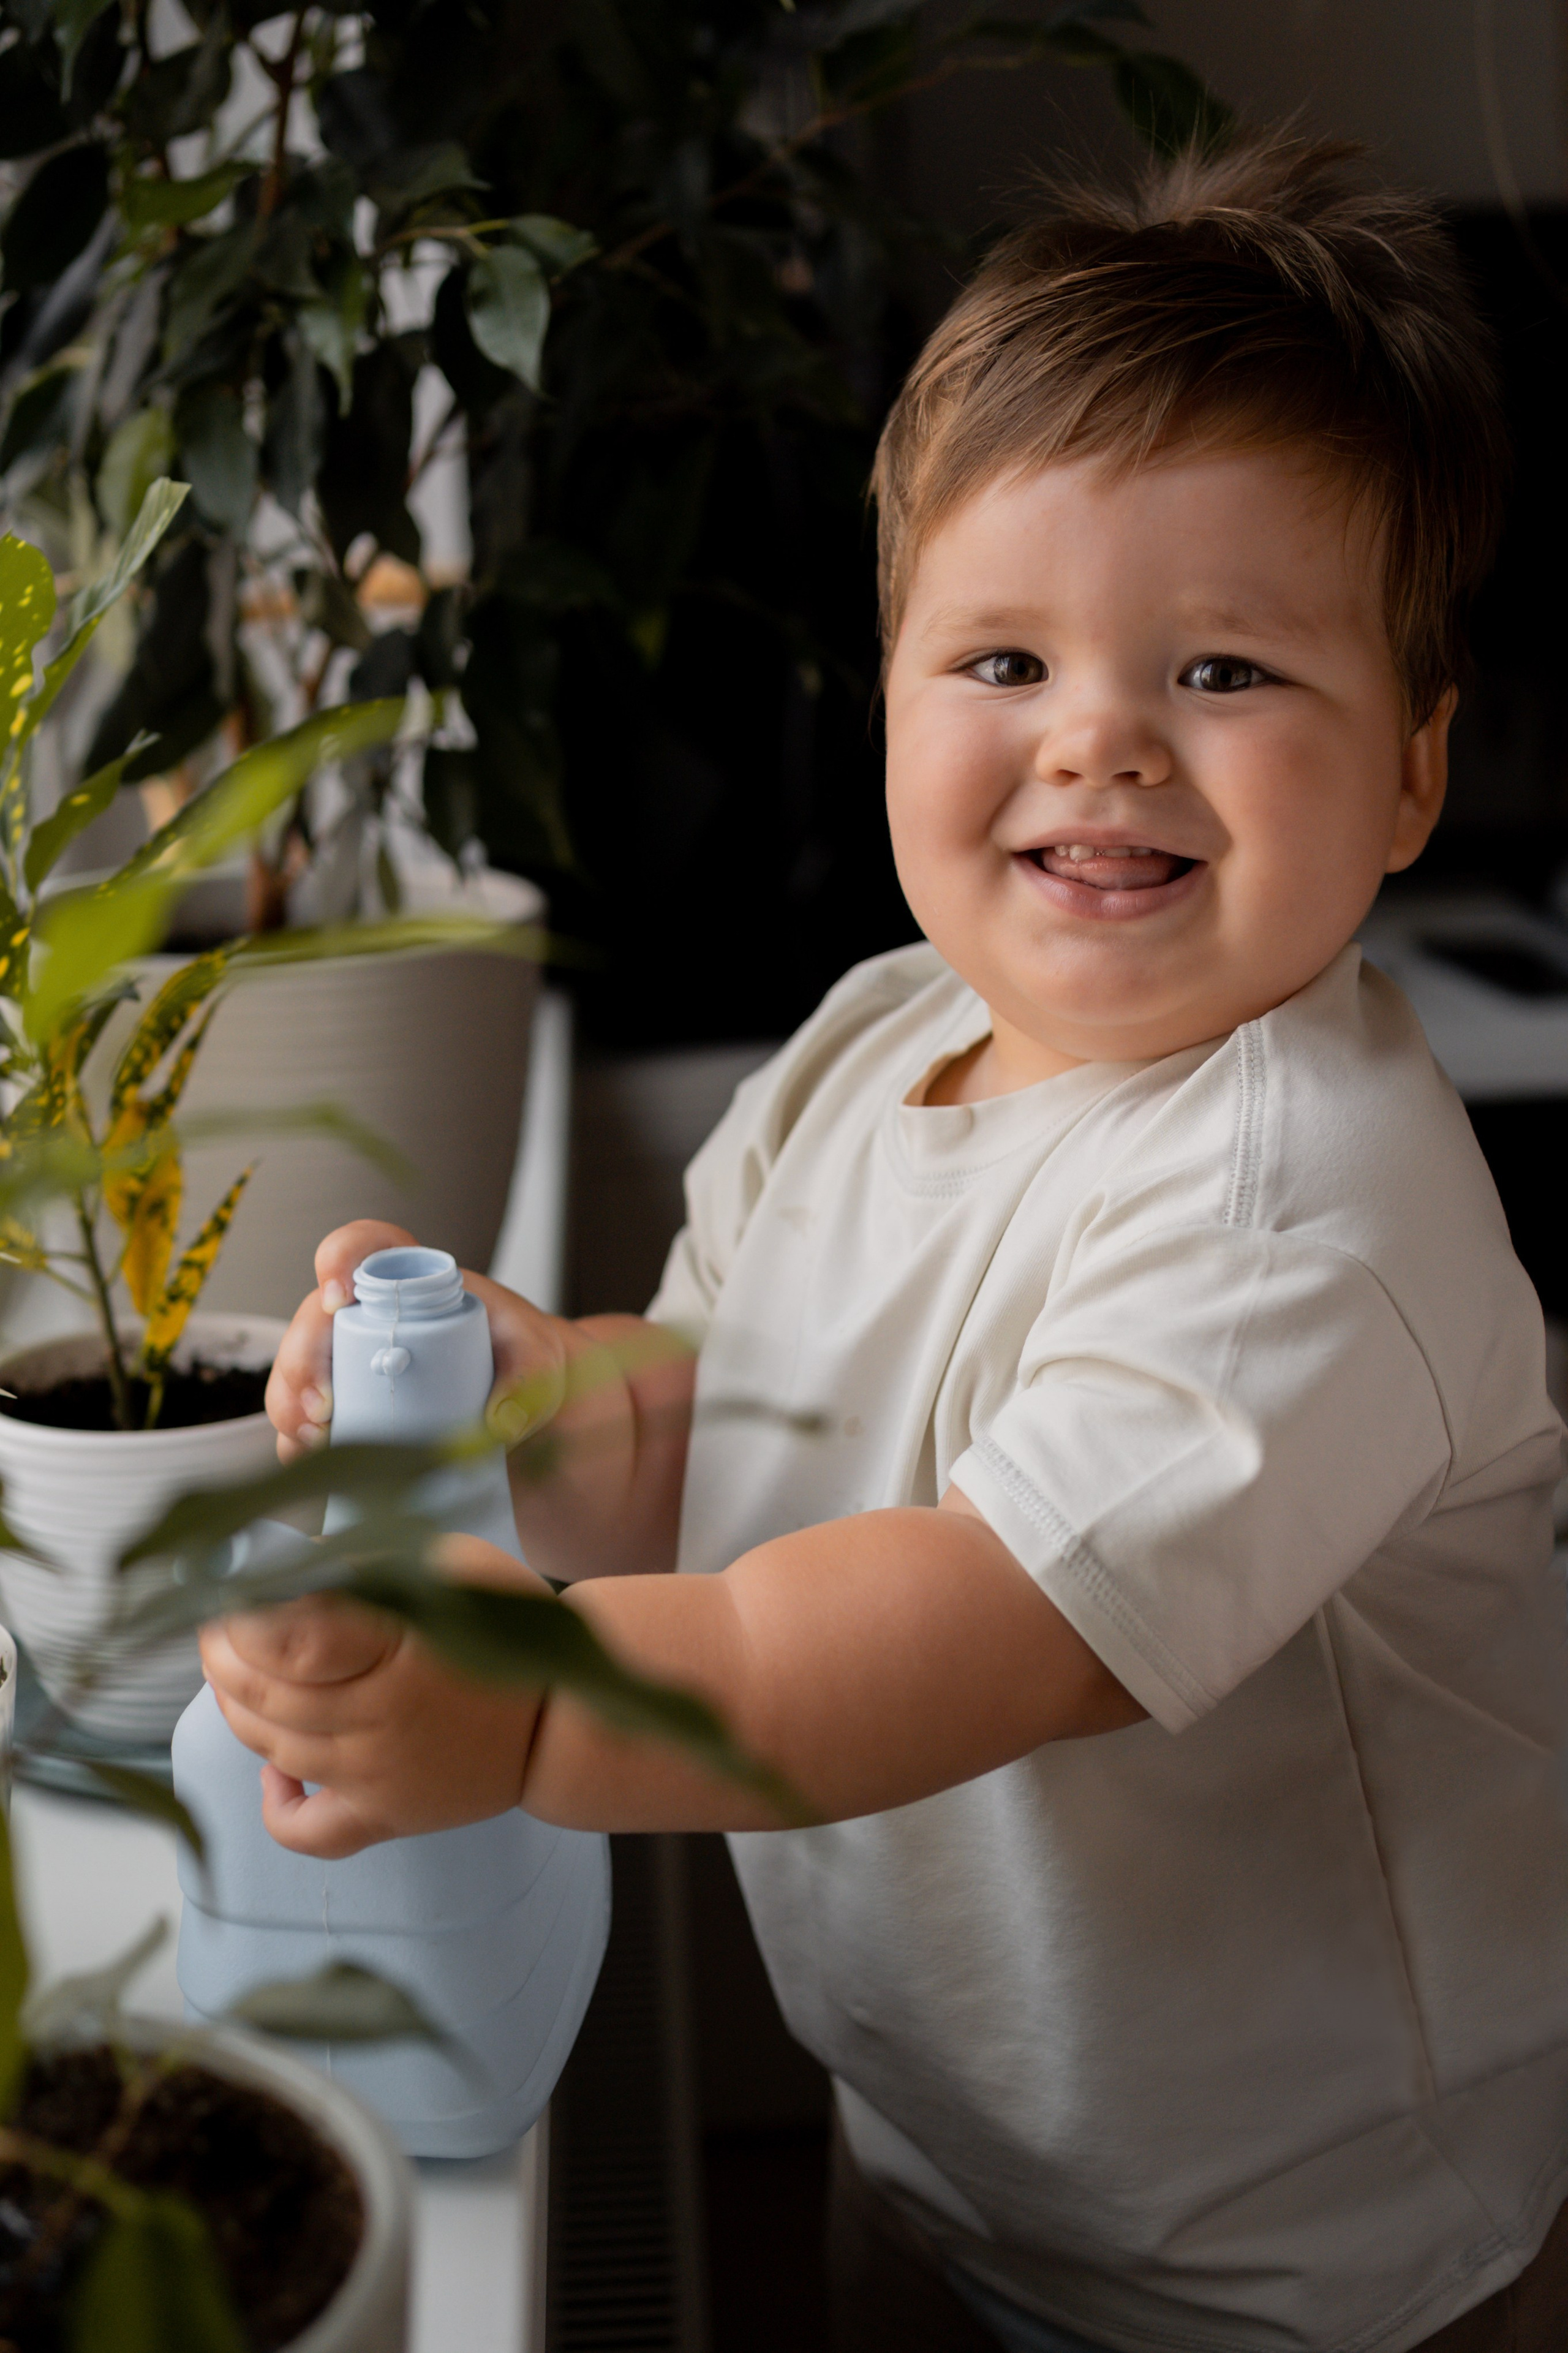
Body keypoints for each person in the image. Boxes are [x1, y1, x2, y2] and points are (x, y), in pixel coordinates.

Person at [202, 135, 1568, 2353]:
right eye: (1006, 654)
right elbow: (722, 1410)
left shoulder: (1304, 1213)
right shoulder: (883, 1034)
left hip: (1300, 2267)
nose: (1101, 736)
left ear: (1412, 777)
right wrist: (494, 1378)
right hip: (956, 2151)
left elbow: (967, 1628)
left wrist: (531, 1718)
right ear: (893, 693)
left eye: (1225, 671)